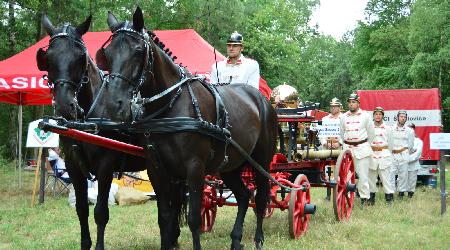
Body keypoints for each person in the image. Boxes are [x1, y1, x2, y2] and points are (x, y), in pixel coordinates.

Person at [340, 93, 375, 205]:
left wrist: (363, 144)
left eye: (353, 102)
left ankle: (364, 199)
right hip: (348, 149)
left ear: (358, 103)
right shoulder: (344, 116)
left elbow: (371, 134)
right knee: (347, 176)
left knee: (363, 176)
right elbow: (342, 133)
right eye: (349, 102)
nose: (351, 104)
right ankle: (349, 198)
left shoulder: (366, 116)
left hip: (362, 149)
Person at [368, 107, 395, 205]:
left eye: (380, 114)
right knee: (371, 179)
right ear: (373, 116)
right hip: (372, 154)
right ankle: (371, 200)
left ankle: (389, 200)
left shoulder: (388, 128)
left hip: (384, 154)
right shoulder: (369, 127)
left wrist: (387, 154)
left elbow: (391, 144)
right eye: (376, 114)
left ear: (383, 116)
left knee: (386, 179)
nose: (378, 116)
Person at [389, 110, 415, 199]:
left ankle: (401, 193)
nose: (403, 118)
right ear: (397, 117)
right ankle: (390, 193)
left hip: (404, 154)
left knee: (403, 175)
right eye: (401, 116)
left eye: (404, 117)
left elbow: (411, 145)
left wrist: (407, 153)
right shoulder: (391, 128)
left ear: (406, 118)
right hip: (392, 154)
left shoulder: (410, 131)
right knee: (390, 174)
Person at [406, 123, 423, 198]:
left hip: (413, 165)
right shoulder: (403, 140)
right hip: (403, 165)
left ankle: (410, 196)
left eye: (411, 128)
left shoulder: (419, 141)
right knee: (400, 180)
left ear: (413, 129)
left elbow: (417, 154)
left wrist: (406, 159)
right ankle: (401, 196)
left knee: (412, 181)